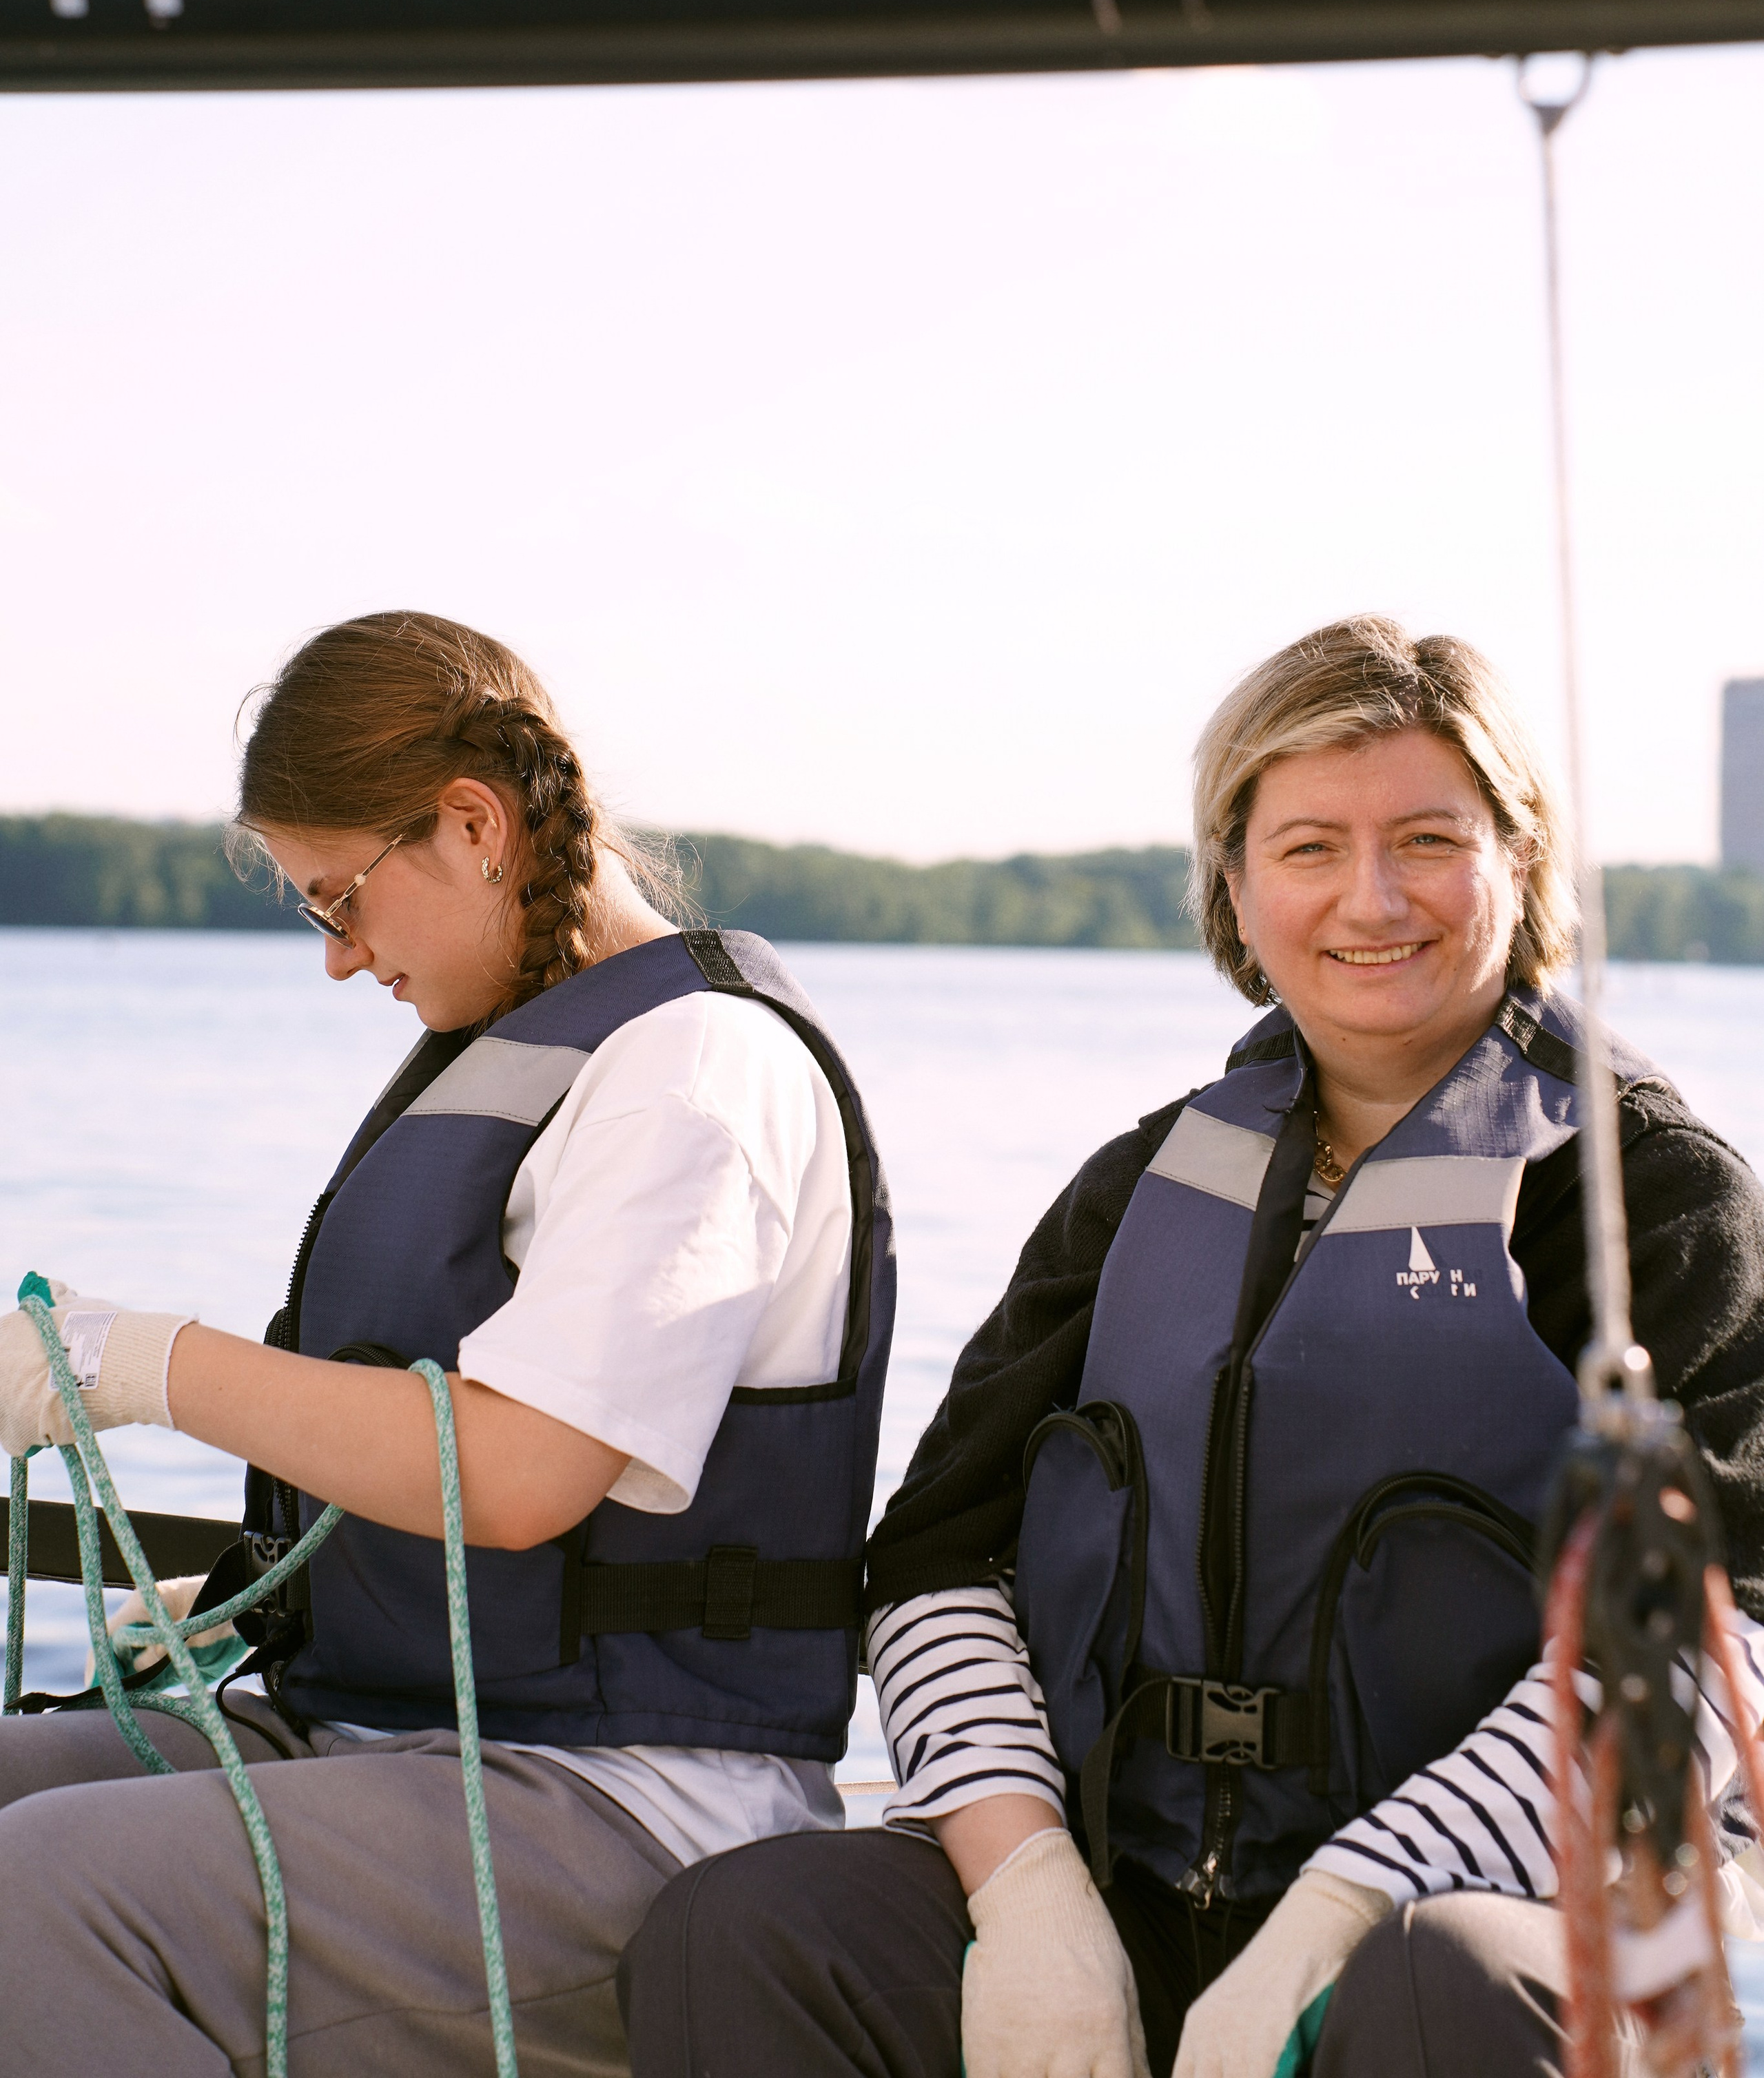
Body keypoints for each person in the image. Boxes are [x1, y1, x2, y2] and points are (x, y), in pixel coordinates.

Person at [621, 615, 1764, 2078]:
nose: (1369, 898)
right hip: (1131, 1884)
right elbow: (929, 1560)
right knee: (745, 1929)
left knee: (1449, 1981)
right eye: (1305, 847)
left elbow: (1714, 1637)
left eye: (1426, 838)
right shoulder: (1141, 1185)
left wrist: (1339, 1910)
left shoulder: (1642, 1197)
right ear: (1231, 880)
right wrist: (1028, 1888)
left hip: (1488, 1920)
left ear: (1520, 859)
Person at [0, 610, 894, 2077]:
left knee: (35, 1900)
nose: (341, 960)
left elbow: (526, 1472)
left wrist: (140, 1363)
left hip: (621, 1802)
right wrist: (272, 1592)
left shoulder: (696, 1068)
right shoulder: (528, 1048)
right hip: (375, 1732)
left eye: (338, 899)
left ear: (473, 826)